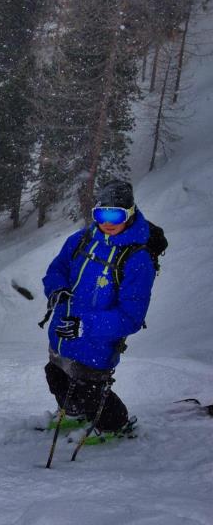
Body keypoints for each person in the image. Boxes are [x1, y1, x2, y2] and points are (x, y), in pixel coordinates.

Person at [41, 180, 156, 434]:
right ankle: (73, 413)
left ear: (130, 213)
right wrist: (56, 289)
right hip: (62, 333)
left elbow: (131, 317)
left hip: (97, 343)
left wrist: (85, 326)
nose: (108, 222)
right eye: (102, 214)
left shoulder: (137, 260)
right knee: (56, 375)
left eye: (116, 215)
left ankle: (116, 425)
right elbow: (57, 269)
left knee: (89, 391)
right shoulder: (81, 240)